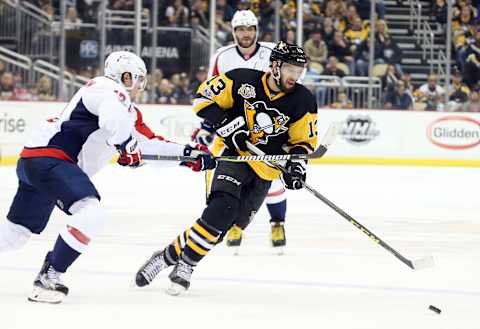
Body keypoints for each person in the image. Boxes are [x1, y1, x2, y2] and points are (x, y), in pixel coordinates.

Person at [0, 51, 216, 304]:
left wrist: (187, 154)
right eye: (138, 79)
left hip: (36, 162)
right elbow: (113, 117)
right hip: (52, 160)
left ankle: (48, 274)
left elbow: (149, 144)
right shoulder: (107, 88)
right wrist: (126, 145)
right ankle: (49, 277)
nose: (140, 86)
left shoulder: (127, 111)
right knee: (91, 212)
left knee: (15, 234)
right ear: (126, 76)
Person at [134, 41, 318, 295]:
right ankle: (186, 265)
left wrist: (296, 167)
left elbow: (302, 142)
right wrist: (231, 127)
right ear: (274, 66)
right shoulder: (243, 80)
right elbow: (202, 99)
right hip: (232, 156)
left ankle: (165, 257)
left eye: (299, 71)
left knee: (224, 227)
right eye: (290, 69)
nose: (295, 76)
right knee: (221, 209)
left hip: (265, 170)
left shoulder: (303, 100)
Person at [192, 10, 290, 253]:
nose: (246, 34)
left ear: (256, 30)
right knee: (220, 174)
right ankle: (227, 222)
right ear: (234, 31)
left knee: (270, 176)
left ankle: (277, 222)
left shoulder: (273, 53)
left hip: (265, 128)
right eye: (241, 29)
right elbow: (210, 93)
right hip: (231, 128)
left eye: (250, 29)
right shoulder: (222, 56)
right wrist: (207, 125)